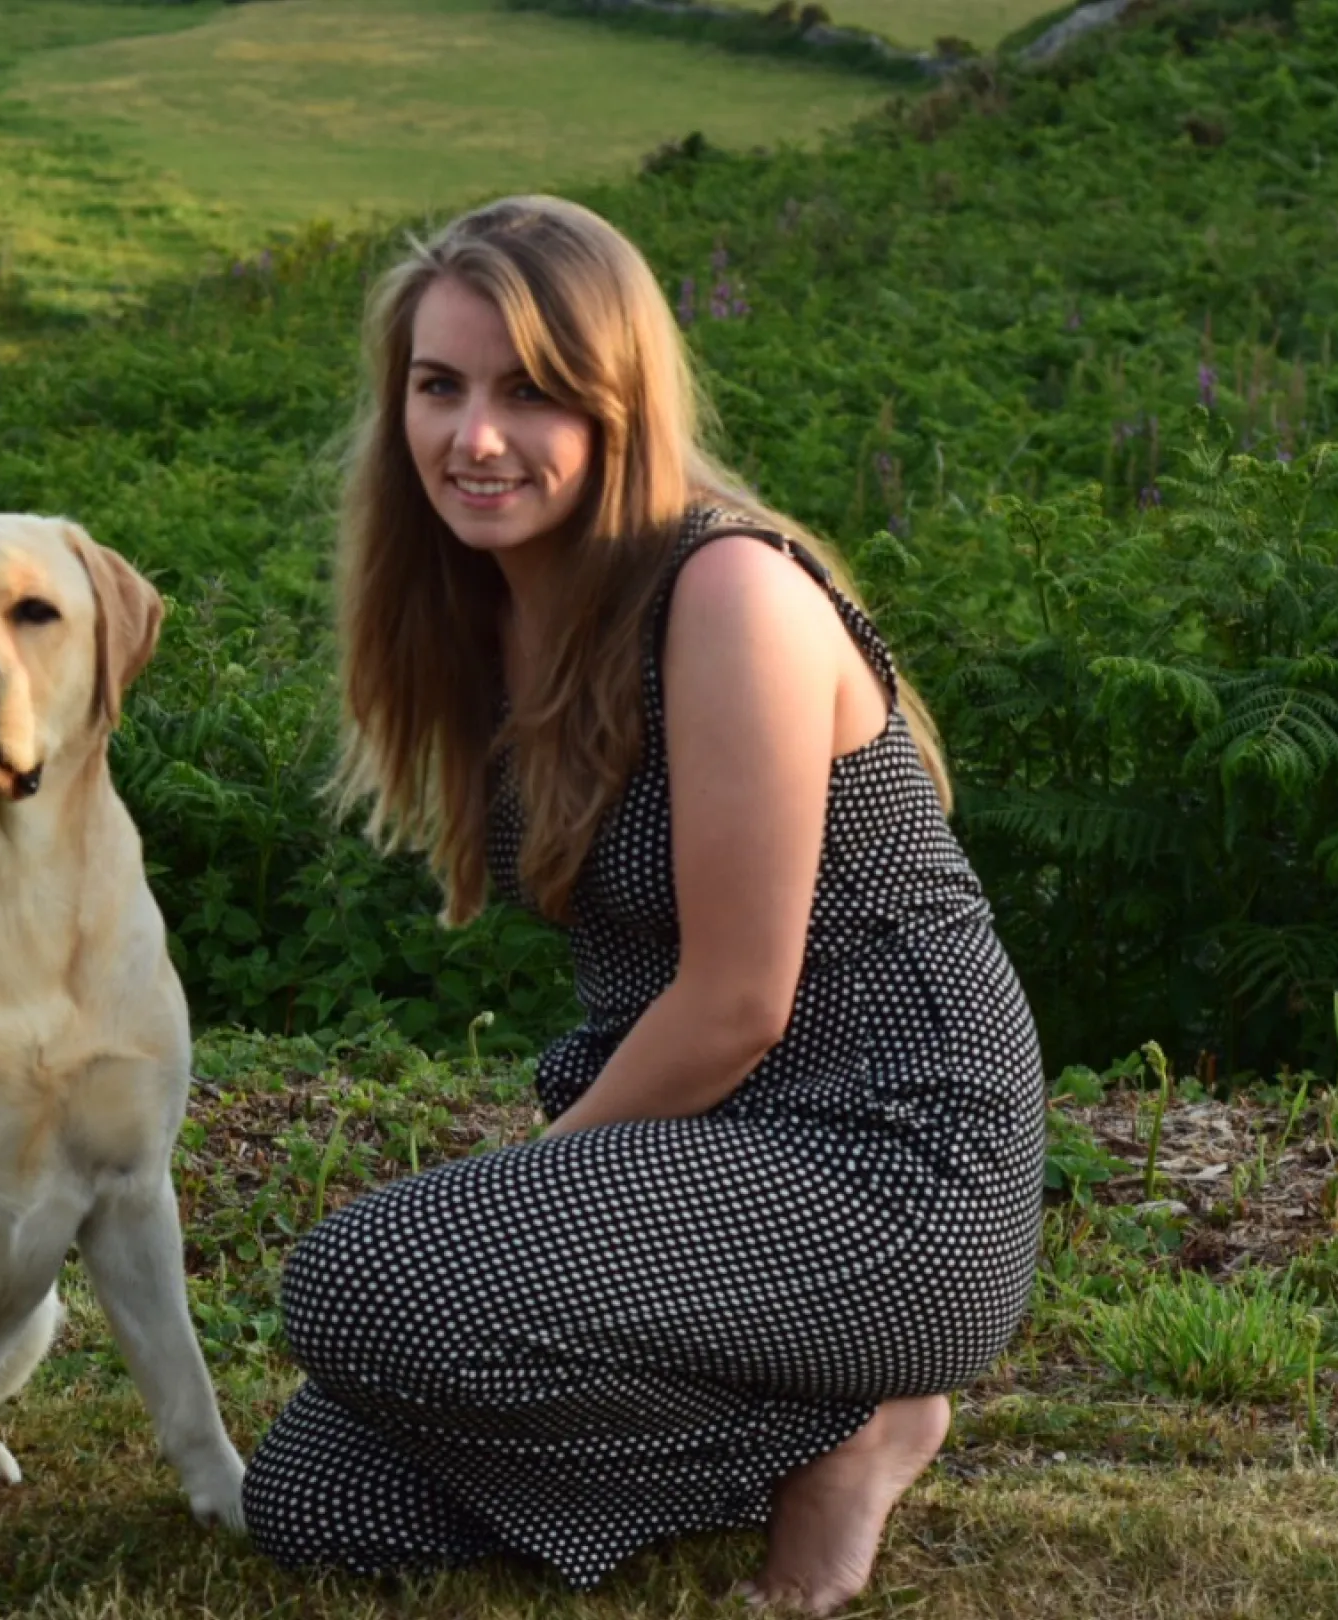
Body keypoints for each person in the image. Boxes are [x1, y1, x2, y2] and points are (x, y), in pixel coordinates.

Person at [236, 194, 1045, 1615]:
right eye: (440, 388)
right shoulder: (492, 607)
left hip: (897, 1164)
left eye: (532, 391)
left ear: (621, 402)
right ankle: (783, 1436)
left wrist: (527, 1185)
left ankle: (868, 1423)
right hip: (723, 1156)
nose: (473, 437)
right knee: (312, 1494)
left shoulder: (725, 590)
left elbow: (741, 1001)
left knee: (358, 1282)